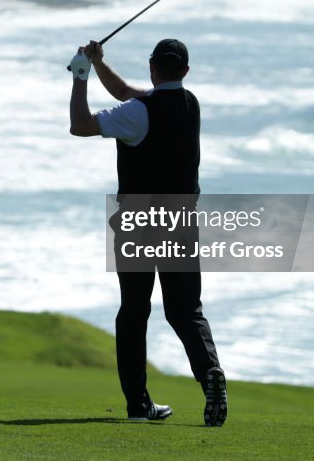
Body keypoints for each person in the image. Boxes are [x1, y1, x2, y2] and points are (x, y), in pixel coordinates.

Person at [68, 38, 227, 426]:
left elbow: (80, 125)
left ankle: (138, 404)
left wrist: (80, 75)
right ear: (185, 72)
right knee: (186, 311)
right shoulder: (190, 104)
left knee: (135, 311)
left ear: (152, 66)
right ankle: (209, 374)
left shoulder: (139, 112)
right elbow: (127, 93)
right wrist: (100, 63)